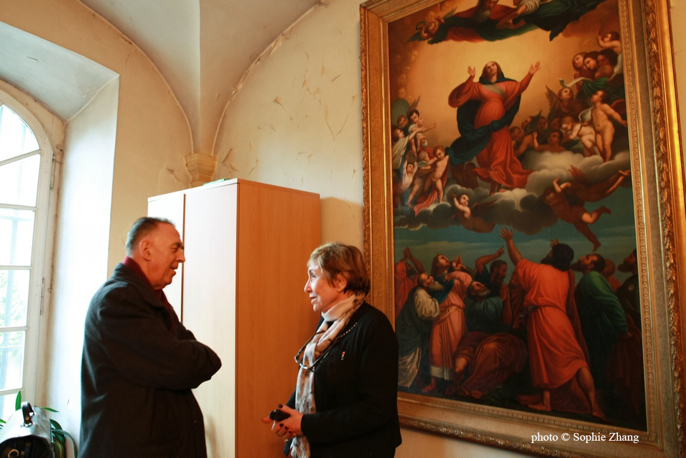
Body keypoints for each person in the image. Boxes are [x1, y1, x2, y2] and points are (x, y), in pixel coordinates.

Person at [80, 217, 222, 457]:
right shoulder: (118, 300)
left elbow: (200, 360)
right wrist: (189, 354)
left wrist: (188, 354)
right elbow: (181, 364)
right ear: (146, 249)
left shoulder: (150, 299)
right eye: (175, 248)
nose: (182, 258)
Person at [263, 243, 401, 458]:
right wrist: (288, 413)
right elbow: (317, 377)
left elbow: (375, 411)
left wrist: (306, 424)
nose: (306, 287)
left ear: (339, 281)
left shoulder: (374, 327)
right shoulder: (328, 323)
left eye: (312, 277)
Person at [499, 228, 606, 419]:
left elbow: (517, 260)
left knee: (544, 360)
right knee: (578, 362)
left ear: (553, 257)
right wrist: (559, 250)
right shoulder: (567, 275)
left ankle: (546, 402)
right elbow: (564, 261)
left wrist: (509, 241)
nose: (546, 254)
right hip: (561, 320)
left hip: (543, 318)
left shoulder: (538, 270)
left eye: (549, 253)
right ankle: (593, 406)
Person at [447, 61, 539, 194]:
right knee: (486, 152)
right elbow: (463, 93)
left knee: (500, 152)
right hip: (482, 121)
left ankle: (498, 187)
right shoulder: (479, 86)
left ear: (498, 67)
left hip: (499, 122)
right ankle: (492, 188)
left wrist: (530, 74)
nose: (491, 68)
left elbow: (520, 87)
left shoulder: (507, 84)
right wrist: (470, 78)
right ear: (485, 71)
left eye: (493, 65)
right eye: (488, 66)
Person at [396, 272, 441, 389]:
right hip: (410, 333)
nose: (432, 277)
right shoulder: (420, 294)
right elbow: (427, 314)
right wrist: (438, 304)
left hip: (410, 328)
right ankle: (407, 383)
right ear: (425, 284)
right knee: (410, 361)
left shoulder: (421, 292)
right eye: (429, 277)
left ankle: (416, 380)